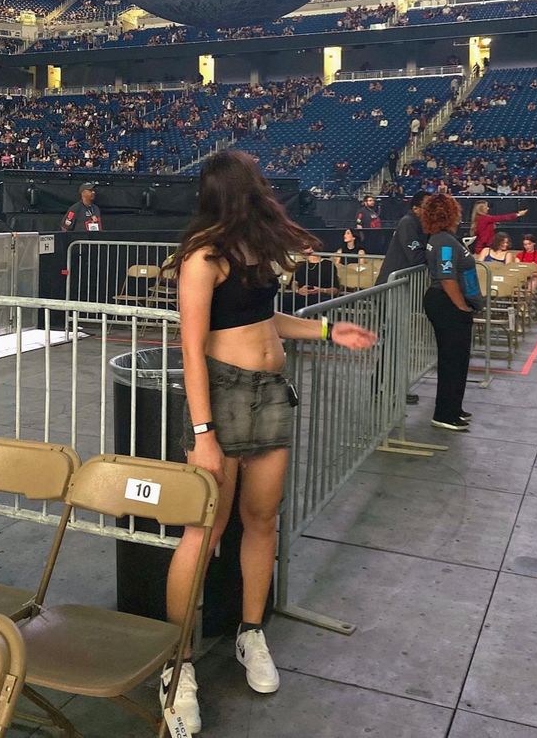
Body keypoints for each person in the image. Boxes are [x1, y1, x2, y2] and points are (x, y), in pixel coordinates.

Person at [161, 151, 377, 733]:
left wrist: (331, 329)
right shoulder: (203, 257)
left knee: (261, 521)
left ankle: (249, 634)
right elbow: (191, 346)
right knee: (203, 532)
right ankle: (177, 666)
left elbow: (266, 322)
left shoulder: (250, 251)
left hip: (269, 393)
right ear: (237, 191)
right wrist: (204, 433)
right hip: (223, 400)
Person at [422, 194, 484, 432]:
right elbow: (447, 278)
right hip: (447, 303)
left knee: (458, 359)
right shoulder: (444, 242)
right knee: (452, 359)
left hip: (447, 302)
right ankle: (444, 413)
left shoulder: (443, 239)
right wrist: (462, 307)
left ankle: (454, 407)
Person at [375, 189, 430, 406]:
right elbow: (416, 256)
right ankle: (383, 386)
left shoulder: (419, 226)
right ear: (416, 208)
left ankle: (385, 385)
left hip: (401, 290)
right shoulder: (408, 223)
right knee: (394, 342)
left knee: (397, 342)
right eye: (426, 206)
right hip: (391, 290)